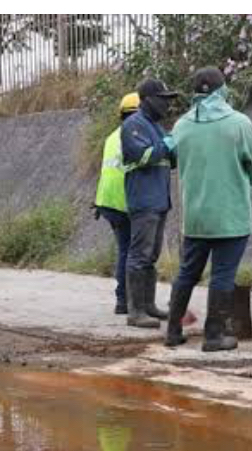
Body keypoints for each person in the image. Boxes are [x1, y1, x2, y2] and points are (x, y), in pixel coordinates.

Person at [165, 67, 252, 352]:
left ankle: (172, 331)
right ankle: (213, 336)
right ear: (223, 91)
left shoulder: (181, 126)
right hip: (230, 216)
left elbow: (174, 158)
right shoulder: (239, 124)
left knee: (187, 272)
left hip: (195, 217)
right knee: (222, 275)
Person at [121, 78, 179, 329]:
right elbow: (143, 156)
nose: (167, 104)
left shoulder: (156, 126)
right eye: (163, 99)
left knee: (151, 255)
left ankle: (148, 306)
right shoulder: (133, 125)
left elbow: (169, 160)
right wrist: (167, 145)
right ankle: (136, 312)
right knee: (140, 255)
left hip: (158, 200)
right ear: (146, 100)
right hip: (144, 200)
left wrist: (174, 147)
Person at [93, 92, 140, 315]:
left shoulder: (112, 137)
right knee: (131, 251)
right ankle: (126, 299)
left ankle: (123, 300)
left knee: (124, 249)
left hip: (106, 201)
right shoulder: (136, 134)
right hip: (124, 200)